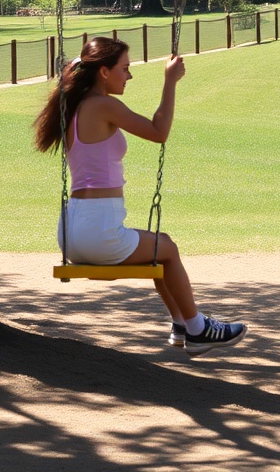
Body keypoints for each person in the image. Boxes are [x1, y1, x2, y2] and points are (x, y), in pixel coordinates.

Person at [34, 37, 247, 355]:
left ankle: (180, 325)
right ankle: (198, 329)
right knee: (169, 249)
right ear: (104, 72)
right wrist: (170, 81)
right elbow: (159, 132)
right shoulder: (103, 105)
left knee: (160, 246)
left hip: (70, 232)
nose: (129, 76)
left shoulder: (73, 106)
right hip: (96, 230)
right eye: (125, 68)